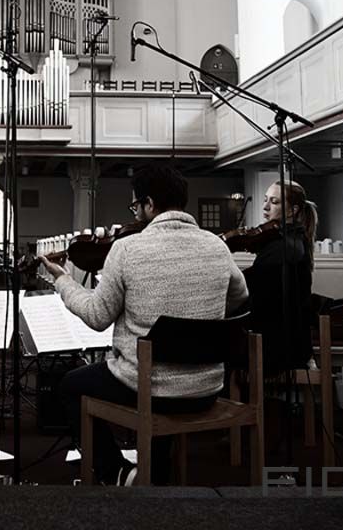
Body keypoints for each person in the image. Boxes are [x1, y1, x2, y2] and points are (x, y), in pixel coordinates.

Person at [41, 164, 249, 486]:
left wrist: (64, 281)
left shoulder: (127, 248)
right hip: (206, 388)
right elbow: (240, 295)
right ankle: (157, 473)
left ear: (149, 204)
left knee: (71, 386)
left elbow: (97, 316)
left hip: (151, 389)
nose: (136, 213)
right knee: (163, 371)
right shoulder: (216, 245)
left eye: (136, 205)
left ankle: (116, 472)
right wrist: (198, 314)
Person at [245, 180, 318, 375]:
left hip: (280, 345)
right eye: (265, 200)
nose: (265, 207)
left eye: (274, 202)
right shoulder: (289, 240)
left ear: (293, 210)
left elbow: (254, 291)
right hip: (288, 339)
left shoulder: (285, 246)